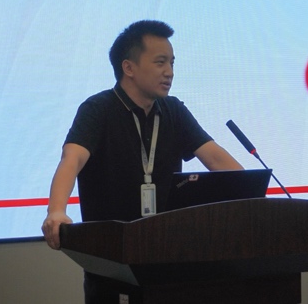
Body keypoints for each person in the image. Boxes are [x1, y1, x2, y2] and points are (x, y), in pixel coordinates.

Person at [41, 19, 243, 302]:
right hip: (111, 261)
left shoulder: (173, 110)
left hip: (167, 258)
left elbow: (217, 159)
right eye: (160, 62)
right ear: (129, 68)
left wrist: (254, 203)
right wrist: (56, 211)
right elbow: (71, 160)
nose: (169, 72)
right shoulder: (98, 109)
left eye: (172, 63)